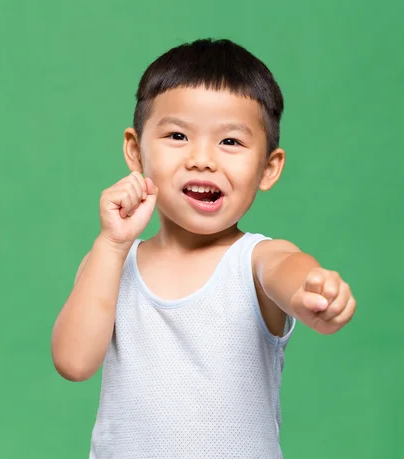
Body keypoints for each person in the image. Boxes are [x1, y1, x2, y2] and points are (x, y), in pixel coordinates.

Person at [51, 38, 356, 458]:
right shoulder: (112, 261)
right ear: (135, 150)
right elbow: (73, 362)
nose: (202, 159)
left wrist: (311, 289)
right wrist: (111, 243)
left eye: (230, 142)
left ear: (268, 168)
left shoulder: (254, 261)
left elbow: (287, 269)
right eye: (178, 135)